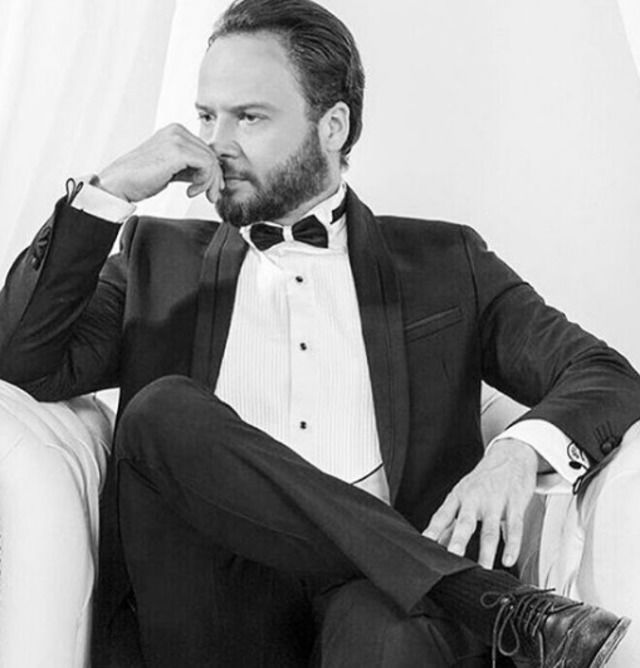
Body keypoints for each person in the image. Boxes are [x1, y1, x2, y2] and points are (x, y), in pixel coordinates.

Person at [1, 0, 639, 666]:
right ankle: (481, 600)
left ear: (332, 126)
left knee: (391, 632)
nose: (217, 143)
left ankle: (439, 589)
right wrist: (107, 191)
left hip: (382, 609)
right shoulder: (154, 260)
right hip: (210, 605)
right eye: (207, 116)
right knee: (161, 410)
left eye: (249, 117)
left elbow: (601, 372)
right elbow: (21, 357)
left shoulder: (445, 263)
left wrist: (515, 453)